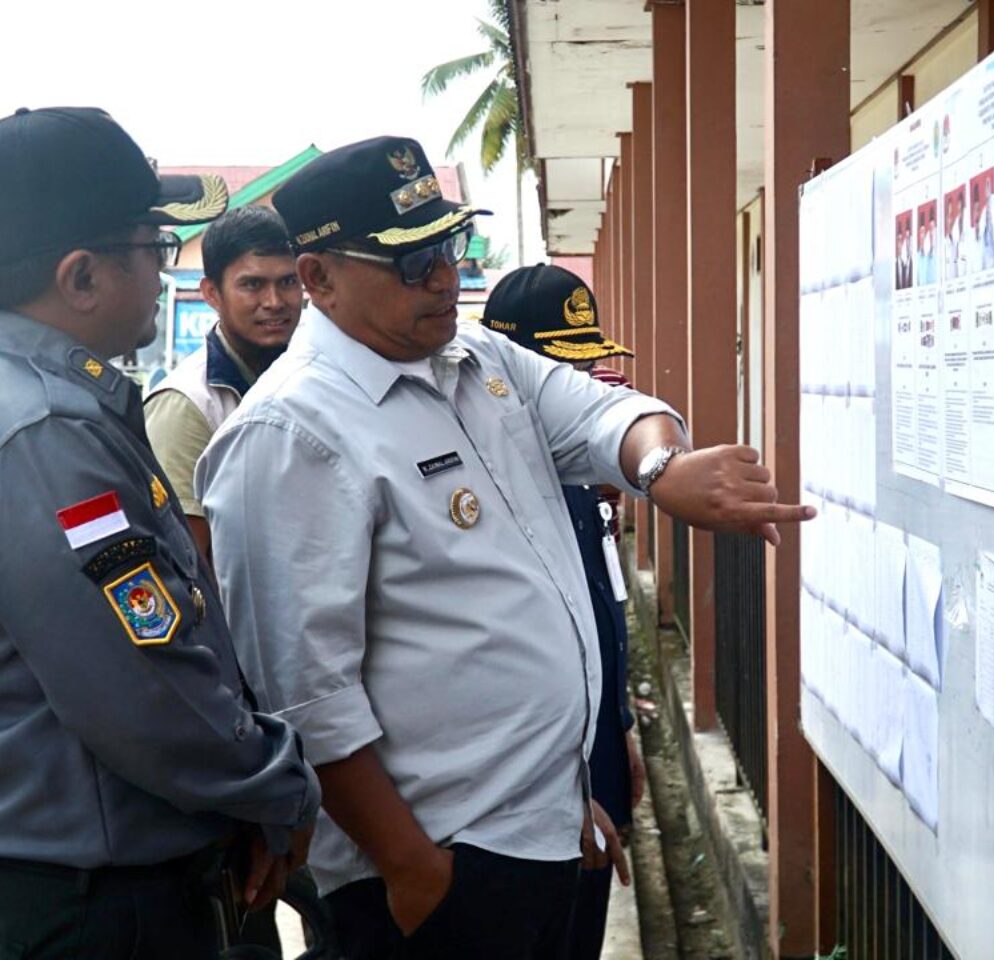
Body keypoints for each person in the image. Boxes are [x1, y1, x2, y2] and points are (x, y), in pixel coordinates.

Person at [195, 134, 813, 960]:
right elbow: (308, 697)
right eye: (409, 263)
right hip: (434, 871)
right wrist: (415, 871)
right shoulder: (293, 433)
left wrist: (662, 467)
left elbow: (604, 416)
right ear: (319, 278)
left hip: (543, 829)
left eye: (446, 247)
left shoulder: (475, 358)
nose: (445, 278)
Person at [0, 105, 319, 960]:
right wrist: (275, 785)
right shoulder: (46, 435)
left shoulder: (53, 408)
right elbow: (145, 684)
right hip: (93, 905)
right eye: (154, 245)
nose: (164, 266)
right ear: (80, 277)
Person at [482, 265, 644, 960]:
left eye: (586, 365)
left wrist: (622, 728)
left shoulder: (571, 469)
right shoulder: (485, 484)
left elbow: (597, 619)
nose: (574, 386)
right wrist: (562, 792)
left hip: (595, 753)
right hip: (533, 789)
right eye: (556, 365)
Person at [145, 205, 304, 560]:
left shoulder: (318, 376)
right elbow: (188, 563)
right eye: (252, 285)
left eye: (288, 282)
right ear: (212, 293)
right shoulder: (187, 404)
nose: (275, 302)